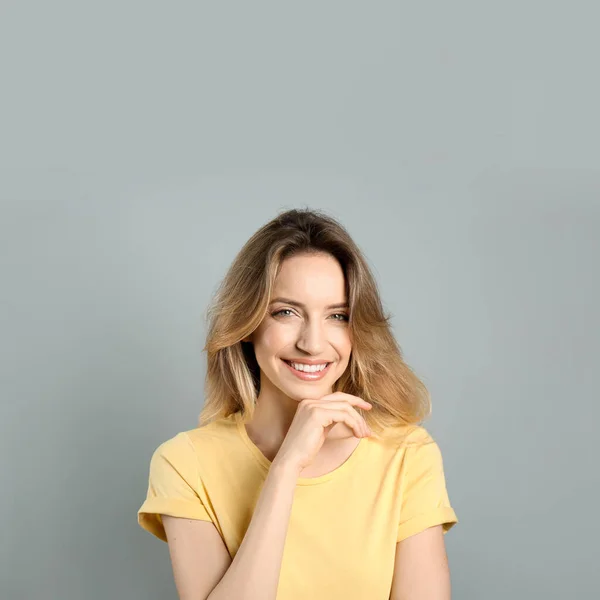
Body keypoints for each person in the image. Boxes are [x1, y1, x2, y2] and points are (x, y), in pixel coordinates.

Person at [137, 207, 458, 599]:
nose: (313, 343)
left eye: (337, 316)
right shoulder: (185, 464)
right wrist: (286, 467)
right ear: (248, 323)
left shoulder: (406, 456)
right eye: (286, 312)